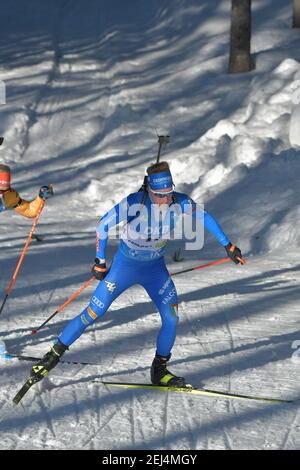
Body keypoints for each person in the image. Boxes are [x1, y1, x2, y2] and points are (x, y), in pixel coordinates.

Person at [30, 162, 245, 388]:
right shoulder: (135, 202)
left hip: (155, 270)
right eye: (159, 195)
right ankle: (51, 357)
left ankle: (159, 370)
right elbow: (103, 226)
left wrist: (228, 246)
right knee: (93, 312)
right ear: (149, 190)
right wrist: (99, 261)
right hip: (125, 268)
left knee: (171, 317)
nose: (164, 200)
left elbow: (205, 217)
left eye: (168, 193)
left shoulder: (180, 202)